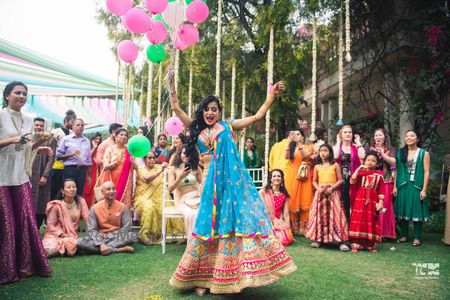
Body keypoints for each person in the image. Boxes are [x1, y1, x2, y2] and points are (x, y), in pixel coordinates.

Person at [167, 72, 296, 295]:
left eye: (214, 109)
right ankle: (202, 277)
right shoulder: (195, 126)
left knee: (231, 224)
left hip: (231, 184)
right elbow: (177, 110)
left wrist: (271, 96)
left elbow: (256, 117)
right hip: (207, 182)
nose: (210, 112)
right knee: (208, 225)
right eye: (207, 109)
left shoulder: (228, 126)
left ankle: (233, 274)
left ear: (220, 112)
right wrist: (171, 87)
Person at [0, 81, 52, 284]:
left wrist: (41, 144)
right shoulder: (1, 115)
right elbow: (16, 142)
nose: (22, 96)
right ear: (7, 96)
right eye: (17, 93)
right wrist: (13, 139)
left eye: (25, 93)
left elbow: (26, 147)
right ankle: (6, 269)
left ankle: (27, 265)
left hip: (20, 176)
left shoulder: (29, 120)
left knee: (26, 218)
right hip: (2, 176)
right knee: (7, 223)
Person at [305, 144, 349, 251]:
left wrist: (332, 188)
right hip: (320, 194)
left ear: (330, 152)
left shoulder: (335, 165)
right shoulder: (317, 167)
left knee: (336, 215)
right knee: (319, 215)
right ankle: (318, 239)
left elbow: (340, 179)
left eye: (325, 151)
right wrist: (318, 188)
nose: (322, 153)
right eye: (320, 151)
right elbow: (314, 181)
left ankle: (340, 241)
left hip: (332, 194)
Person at [133, 151, 183, 245]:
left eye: (153, 158)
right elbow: (147, 179)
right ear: (144, 160)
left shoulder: (160, 167)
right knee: (149, 206)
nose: (152, 160)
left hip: (159, 197)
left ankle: (166, 235)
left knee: (164, 205)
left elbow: (173, 171)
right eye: (149, 158)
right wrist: (160, 170)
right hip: (143, 198)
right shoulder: (140, 170)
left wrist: (168, 166)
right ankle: (145, 235)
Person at [77, 181, 136, 255]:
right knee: (79, 242)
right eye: (108, 189)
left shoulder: (122, 207)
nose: (112, 191)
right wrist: (101, 243)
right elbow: (91, 229)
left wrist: (109, 236)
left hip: (117, 236)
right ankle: (116, 249)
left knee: (132, 236)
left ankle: (96, 249)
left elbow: (127, 228)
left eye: (113, 189)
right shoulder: (95, 208)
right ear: (102, 192)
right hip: (100, 236)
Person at [394, 130, 430, 247]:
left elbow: (426, 172)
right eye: (407, 136)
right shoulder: (400, 153)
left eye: (412, 135)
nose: (409, 137)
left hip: (416, 186)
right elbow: (397, 171)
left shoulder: (423, 153)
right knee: (403, 210)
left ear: (417, 138)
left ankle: (417, 237)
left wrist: (424, 189)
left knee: (416, 210)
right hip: (403, 185)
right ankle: (404, 235)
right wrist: (395, 186)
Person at [42, 179, 89, 257]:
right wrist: (61, 234)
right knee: (50, 249)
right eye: (68, 187)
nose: (72, 189)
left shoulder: (81, 202)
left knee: (72, 242)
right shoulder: (56, 205)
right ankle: (68, 248)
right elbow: (51, 225)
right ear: (62, 191)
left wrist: (95, 231)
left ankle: (67, 248)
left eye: (74, 187)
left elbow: (88, 219)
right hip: (55, 235)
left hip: (71, 236)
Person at [349, 152, 385, 252]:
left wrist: (381, 203)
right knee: (359, 219)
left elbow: (381, 191)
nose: (370, 162)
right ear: (364, 161)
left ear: (377, 164)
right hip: (360, 200)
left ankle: (370, 244)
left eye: (373, 161)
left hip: (373, 201)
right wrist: (359, 168)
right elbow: (352, 181)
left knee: (371, 220)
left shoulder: (379, 177)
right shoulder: (360, 174)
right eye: (368, 160)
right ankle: (356, 243)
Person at [168, 145, 203, 244]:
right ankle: (192, 245)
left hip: (197, 197)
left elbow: (203, 185)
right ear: (180, 154)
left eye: (189, 154)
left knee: (201, 213)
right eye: (184, 153)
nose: (186, 156)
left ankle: (202, 244)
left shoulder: (196, 169)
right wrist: (179, 178)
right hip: (183, 200)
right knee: (190, 214)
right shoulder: (173, 169)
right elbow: (170, 189)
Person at [284, 128, 314, 235]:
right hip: (292, 175)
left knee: (304, 198)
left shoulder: (308, 147)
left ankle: (304, 228)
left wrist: (299, 144)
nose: (296, 136)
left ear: (302, 136)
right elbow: (286, 157)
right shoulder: (291, 148)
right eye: (294, 134)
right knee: (291, 199)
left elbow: (304, 156)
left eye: (298, 134)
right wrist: (289, 143)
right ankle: (292, 227)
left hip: (303, 175)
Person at [333, 125, 365, 222]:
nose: (347, 134)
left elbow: (363, 156)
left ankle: (351, 223)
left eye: (349, 132)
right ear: (341, 135)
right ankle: (341, 223)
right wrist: (338, 142)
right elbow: (335, 156)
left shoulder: (355, 147)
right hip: (339, 179)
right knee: (341, 200)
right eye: (345, 132)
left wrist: (359, 143)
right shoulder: (336, 147)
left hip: (353, 178)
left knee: (352, 200)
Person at [369, 128, 396, 240]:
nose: (378, 137)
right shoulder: (370, 149)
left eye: (380, 135)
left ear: (385, 137)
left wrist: (381, 153)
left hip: (386, 180)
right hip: (373, 180)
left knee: (384, 207)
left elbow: (393, 162)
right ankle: (373, 231)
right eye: (376, 135)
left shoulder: (390, 149)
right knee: (373, 205)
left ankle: (384, 232)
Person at [56, 118, 92, 196]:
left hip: (82, 170)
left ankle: (77, 208)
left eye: (82, 125)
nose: (80, 127)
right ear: (73, 127)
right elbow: (58, 157)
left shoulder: (86, 141)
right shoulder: (66, 139)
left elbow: (89, 160)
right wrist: (71, 154)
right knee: (68, 192)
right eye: (78, 125)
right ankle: (66, 208)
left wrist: (89, 176)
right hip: (69, 169)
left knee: (79, 193)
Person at [31, 117, 56, 227]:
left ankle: (37, 226)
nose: (39, 127)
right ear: (33, 125)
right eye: (37, 125)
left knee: (41, 201)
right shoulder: (28, 138)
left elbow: (52, 158)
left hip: (42, 174)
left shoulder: (50, 139)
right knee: (29, 199)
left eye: (41, 125)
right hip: (29, 174)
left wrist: (45, 175)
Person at [101, 128, 134, 208]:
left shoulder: (129, 150)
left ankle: (125, 219)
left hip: (126, 181)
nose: (124, 137)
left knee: (126, 201)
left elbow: (135, 167)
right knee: (111, 198)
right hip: (112, 180)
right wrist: (114, 164)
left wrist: (133, 162)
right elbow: (105, 166)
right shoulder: (110, 149)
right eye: (121, 135)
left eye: (126, 135)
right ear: (115, 136)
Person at [259, 169, 293, 246]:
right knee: (274, 238)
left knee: (287, 239)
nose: (276, 178)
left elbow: (286, 214)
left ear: (281, 179)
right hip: (266, 221)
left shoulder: (284, 195)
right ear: (271, 179)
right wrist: (272, 219)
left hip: (278, 222)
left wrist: (288, 230)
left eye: (279, 176)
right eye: (274, 176)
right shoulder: (264, 192)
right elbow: (261, 209)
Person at [49, 110, 76, 199]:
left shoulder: (73, 134)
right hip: (57, 164)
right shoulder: (55, 132)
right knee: (54, 190)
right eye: (72, 122)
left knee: (66, 190)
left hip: (69, 166)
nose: (73, 124)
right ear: (66, 121)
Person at [83, 132, 102, 207]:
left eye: (99, 139)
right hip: (88, 168)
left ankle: (92, 206)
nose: (97, 140)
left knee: (94, 186)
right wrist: (94, 147)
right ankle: (85, 205)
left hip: (97, 169)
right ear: (92, 139)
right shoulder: (88, 147)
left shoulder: (100, 148)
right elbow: (88, 157)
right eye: (96, 138)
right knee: (87, 186)